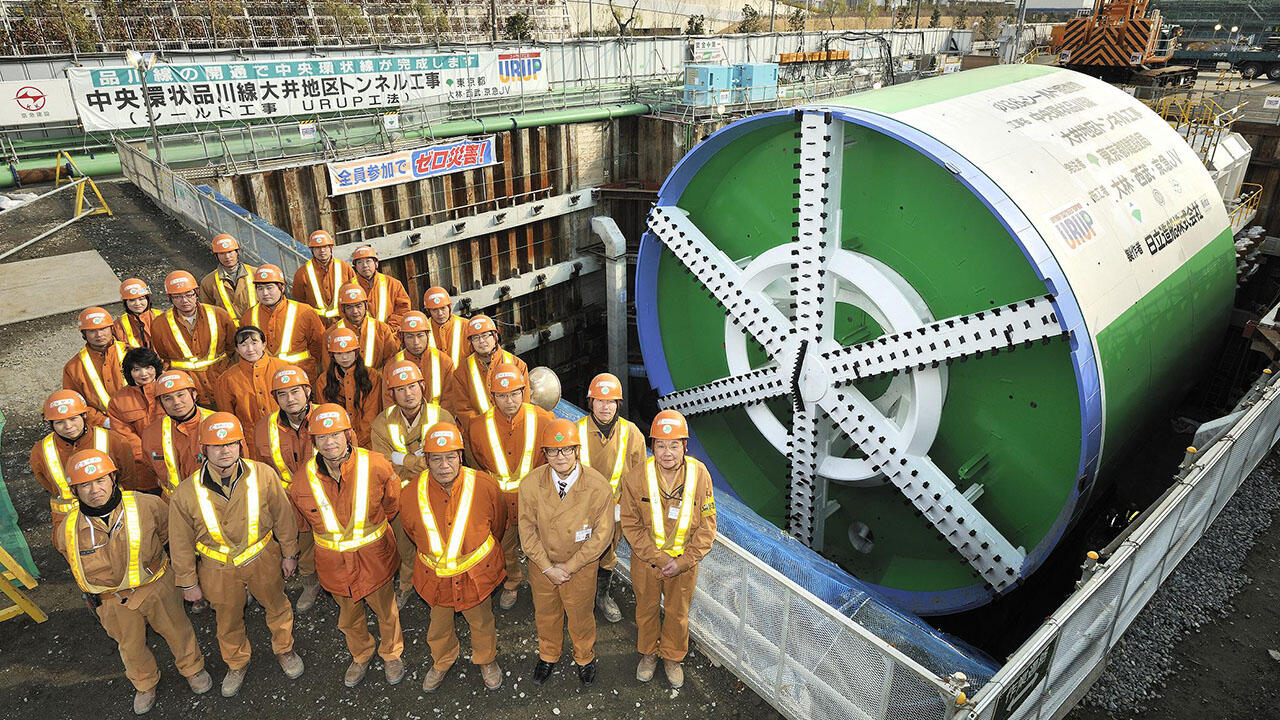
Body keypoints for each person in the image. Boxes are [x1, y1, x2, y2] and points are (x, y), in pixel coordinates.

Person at [53, 449, 211, 715]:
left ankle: (193, 669)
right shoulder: (68, 529)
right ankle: (145, 683)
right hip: (112, 600)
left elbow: (168, 534)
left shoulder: (146, 504)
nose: (94, 490)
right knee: (130, 646)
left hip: (157, 586)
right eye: (85, 485)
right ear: (75, 489)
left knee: (178, 630)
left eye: (101, 480)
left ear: (113, 479)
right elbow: (71, 559)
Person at [168, 413, 303, 697]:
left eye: (231, 443)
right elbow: (179, 542)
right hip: (217, 568)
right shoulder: (184, 493)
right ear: (203, 450)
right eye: (216, 446)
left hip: (262, 557)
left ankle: (285, 649)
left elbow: (283, 516)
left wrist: (289, 552)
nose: (225, 450)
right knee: (227, 620)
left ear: (241, 445)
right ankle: (237, 662)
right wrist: (188, 582)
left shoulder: (263, 474)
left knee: (277, 607)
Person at [289, 404, 405, 688]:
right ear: (313, 441)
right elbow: (302, 523)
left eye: (336, 435)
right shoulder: (302, 480)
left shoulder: (377, 465)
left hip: (374, 558)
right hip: (335, 565)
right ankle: (361, 653)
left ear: (349, 434)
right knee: (349, 616)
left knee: (386, 610)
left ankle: (392, 653)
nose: (330, 443)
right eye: (322, 437)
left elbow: (392, 503)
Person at [399, 422, 506, 692]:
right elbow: (412, 532)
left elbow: (499, 523)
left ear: (461, 456)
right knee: (438, 625)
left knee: (481, 620)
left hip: (475, 575)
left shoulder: (485, 485)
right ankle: (442, 659)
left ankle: (487, 659)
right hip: (435, 577)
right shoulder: (410, 493)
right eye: (436, 459)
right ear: (427, 461)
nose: (444, 465)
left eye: (450, 457)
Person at [620, 409, 717, 689]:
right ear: (653, 447)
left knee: (677, 613)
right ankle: (649, 653)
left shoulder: (700, 475)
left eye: (674, 445)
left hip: (683, 565)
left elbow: (708, 525)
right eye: (661, 445)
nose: (667, 452)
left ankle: (672, 657)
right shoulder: (637, 477)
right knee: (647, 609)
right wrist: (659, 558)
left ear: (685, 446)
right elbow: (630, 523)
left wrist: (684, 561)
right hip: (647, 563)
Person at [518, 419, 614, 686]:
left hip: (581, 568)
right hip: (542, 567)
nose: (560, 456)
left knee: (581, 614)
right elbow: (526, 530)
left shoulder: (597, 486)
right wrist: (547, 567)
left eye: (566, 450)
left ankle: (584, 656)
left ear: (577, 451)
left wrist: (570, 567)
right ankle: (548, 654)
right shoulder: (530, 484)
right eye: (553, 451)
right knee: (546, 613)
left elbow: (602, 535)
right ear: (544, 453)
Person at [369, 359, 457, 607]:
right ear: (392, 394)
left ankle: (446, 583)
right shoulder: (381, 424)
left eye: (412, 386)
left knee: (441, 541)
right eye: (401, 389)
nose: (408, 394)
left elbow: (447, 461)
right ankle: (407, 584)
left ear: (422, 386)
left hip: (437, 490)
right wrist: (417, 458)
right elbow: (383, 466)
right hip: (400, 495)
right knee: (405, 544)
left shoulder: (442, 417)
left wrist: (401, 458)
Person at [466, 364, 553, 610]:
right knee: (506, 548)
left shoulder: (545, 419)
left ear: (524, 391)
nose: (510, 401)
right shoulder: (477, 426)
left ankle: (543, 584)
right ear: (492, 396)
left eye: (515, 393)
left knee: (541, 545)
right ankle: (512, 582)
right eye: (502, 395)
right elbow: (478, 466)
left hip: (536, 501)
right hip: (500, 504)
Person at [252, 365, 325, 612]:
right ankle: (310, 582)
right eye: (282, 394)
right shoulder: (264, 427)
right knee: (302, 547)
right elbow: (260, 470)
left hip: (328, 497)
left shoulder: (328, 418)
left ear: (307, 391)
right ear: (275, 399)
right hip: (288, 501)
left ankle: (337, 584)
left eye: (295, 392)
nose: (290, 399)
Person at [576, 373, 646, 623]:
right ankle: (582, 598)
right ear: (590, 402)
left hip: (615, 511)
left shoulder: (632, 434)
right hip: (581, 512)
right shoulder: (577, 431)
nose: (605, 407)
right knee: (581, 554)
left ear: (619, 404)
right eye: (600, 401)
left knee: (607, 554)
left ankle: (602, 596)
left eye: (611, 401)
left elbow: (640, 477)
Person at [30, 390, 135, 527]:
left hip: (115, 514)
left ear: (84, 415)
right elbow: (48, 483)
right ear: (51, 424)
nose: (68, 427)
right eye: (59, 422)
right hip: (69, 522)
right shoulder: (40, 451)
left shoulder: (114, 441)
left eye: (73, 419)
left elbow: (128, 478)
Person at [151, 270, 236, 404]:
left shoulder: (220, 315)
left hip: (221, 381)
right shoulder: (159, 324)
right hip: (188, 390)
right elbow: (163, 356)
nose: (184, 300)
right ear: (170, 298)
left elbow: (232, 347)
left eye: (189, 295)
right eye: (177, 297)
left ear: (196, 294)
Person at [213, 326, 290, 457]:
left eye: (254, 343)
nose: (250, 349)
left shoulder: (284, 368)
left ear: (264, 344)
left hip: (286, 434)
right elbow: (228, 417)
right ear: (237, 349)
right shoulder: (226, 379)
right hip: (251, 442)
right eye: (243, 345)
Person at [444, 314, 528, 430]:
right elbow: (463, 409)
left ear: (495, 336)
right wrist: (484, 429)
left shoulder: (518, 365)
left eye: (485, 335)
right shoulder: (462, 371)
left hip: (514, 430)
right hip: (480, 435)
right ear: (471, 342)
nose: (481, 341)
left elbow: (524, 403)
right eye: (476, 338)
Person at [244, 264, 327, 380]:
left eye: (269, 287)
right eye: (260, 288)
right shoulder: (248, 317)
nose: (265, 293)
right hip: (265, 380)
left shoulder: (305, 312)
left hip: (300, 379)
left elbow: (319, 346)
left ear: (282, 288)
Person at [140, 370, 214, 498]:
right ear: (161, 403)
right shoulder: (151, 434)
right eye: (168, 398)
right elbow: (150, 470)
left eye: (181, 395)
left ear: (194, 394)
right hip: (174, 504)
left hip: (215, 500)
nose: (176, 402)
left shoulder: (217, 422)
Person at [108, 348, 168, 493]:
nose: (143, 374)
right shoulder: (118, 400)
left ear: (156, 368)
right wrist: (151, 458)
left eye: (148, 367)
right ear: (129, 372)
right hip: (143, 471)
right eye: (136, 369)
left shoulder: (169, 390)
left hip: (174, 462)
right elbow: (124, 436)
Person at [315, 327, 385, 447]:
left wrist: (356, 443)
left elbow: (372, 415)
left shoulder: (372, 376)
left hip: (368, 442)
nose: (345, 358)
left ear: (356, 352)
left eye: (348, 352)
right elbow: (327, 417)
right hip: (338, 444)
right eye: (339, 353)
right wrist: (344, 443)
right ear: (332, 355)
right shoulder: (323, 381)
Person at [63, 306, 127, 427]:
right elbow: (75, 404)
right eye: (92, 331)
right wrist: (105, 422)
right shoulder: (73, 368)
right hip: (104, 426)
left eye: (103, 328)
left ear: (112, 328)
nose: (99, 334)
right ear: (84, 334)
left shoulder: (132, 352)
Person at [391, 311, 455, 410]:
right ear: (402, 338)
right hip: (404, 424)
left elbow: (450, 401)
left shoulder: (445, 362)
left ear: (427, 335)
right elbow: (390, 405)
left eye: (420, 336)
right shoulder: (392, 365)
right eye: (410, 337)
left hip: (439, 422)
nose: (416, 342)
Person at [333, 282, 400, 372]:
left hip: (377, 382)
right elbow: (329, 371)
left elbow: (391, 362)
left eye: (358, 306)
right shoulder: (332, 333)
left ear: (366, 306)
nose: (355, 311)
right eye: (349, 307)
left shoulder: (382, 329)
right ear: (343, 309)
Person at [292, 229, 355, 325]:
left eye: (325, 247)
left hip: (344, 322)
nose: (322, 251)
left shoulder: (345, 268)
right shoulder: (302, 273)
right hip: (316, 324)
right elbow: (299, 301)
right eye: (317, 248)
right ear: (312, 250)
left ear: (331, 248)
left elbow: (355, 294)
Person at [198, 234, 257, 323]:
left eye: (230, 252)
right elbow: (207, 313)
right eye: (222, 253)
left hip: (256, 330)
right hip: (228, 331)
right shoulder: (208, 282)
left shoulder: (255, 274)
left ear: (237, 252)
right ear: (216, 256)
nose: (227, 257)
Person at [350, 245, 411, 328]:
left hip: (390, 335)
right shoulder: (347, 288)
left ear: (376, 264)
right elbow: (344, 313)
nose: (364, 265)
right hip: (361, 337)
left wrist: (389, 329)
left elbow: (403, 309)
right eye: (360, 262)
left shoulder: (393, 284)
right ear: (355, 267)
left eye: (368, 261)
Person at [422, 286, 471, 368]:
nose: (440, 313)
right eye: (434, 310)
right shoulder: (422, 330)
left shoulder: (467, 326)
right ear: (429, 311)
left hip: (463, 379)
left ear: (449, 307)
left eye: (443, 308)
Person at [115, 278, 163, 350]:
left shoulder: (161, 316)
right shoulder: (118, 325)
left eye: (141, 299)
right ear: (125, 302)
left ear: (147, 299)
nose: (137, 304)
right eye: (132, 300)